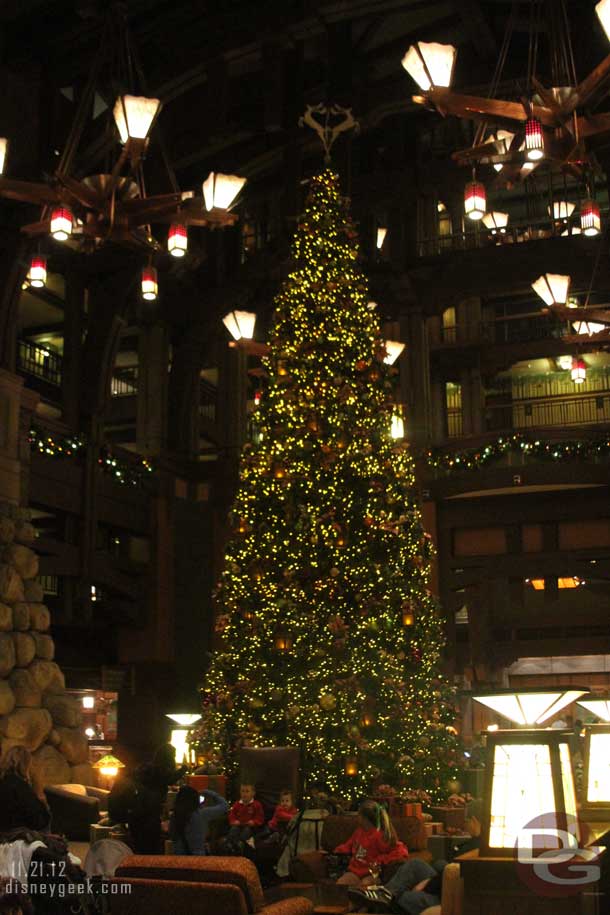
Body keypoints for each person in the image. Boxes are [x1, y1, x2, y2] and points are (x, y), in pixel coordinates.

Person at [347, 798, 484, 913]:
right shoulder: (473, 842)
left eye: (467, 820)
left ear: (476, 821)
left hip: (447, 894)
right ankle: (385, 894)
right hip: (440, 884)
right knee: (416, 864)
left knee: (404, 898)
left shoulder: (476, 849)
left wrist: (427, 883)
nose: (465, 824)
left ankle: (381, 900)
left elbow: (454, 875)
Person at [109, 743, 187, 855]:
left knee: (138, 843)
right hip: (149, 811)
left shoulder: (146, 770)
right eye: (173, 755)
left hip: (136, 810)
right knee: (150, 844)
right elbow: (168, 779)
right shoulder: (159, 770)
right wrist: (183, 769)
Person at [333, 799, 408, 887]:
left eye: (359, 815)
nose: (357, 817)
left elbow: (400, 851)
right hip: (355, 872)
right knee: (340, 884)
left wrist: (381, 859)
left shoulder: (379, 835)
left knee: (364, 887)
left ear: (364, 818)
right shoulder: (359, 831)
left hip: (371, 874)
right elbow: (349, 845)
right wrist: (336, 851)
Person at [0, 747, 50, 834]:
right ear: (26, 764)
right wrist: (41, 799)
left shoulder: (4, 781)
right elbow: (39, 822)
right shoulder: (20, 786)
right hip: (14, 838)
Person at [169, 785, 229, 855]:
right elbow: (225, 806)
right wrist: (209, 793)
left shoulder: (174, 815)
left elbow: (172, 836)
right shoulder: (202, 814)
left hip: (179, 857)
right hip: (198, 856)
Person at [225, 783, 265, 852]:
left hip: (250, 827)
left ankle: (240, 843)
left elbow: (260, 817)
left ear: (253, 793)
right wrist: (234, 821)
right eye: (242, 791)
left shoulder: (256, 804)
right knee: (234, 829)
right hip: (239, 825)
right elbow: (232, 815)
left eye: (247, 791)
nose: (244, 794)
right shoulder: (237, 804)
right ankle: (231, 843)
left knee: (247, 831)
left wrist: (254, 822)